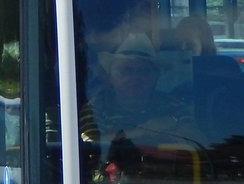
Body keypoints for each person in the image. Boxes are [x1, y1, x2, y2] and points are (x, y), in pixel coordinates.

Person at [81, 33, 203, 167]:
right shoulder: (96, 107)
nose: (135, 78)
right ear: (110, 76)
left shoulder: (172, 105)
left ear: (156, 77)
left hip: (165, 179)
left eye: (145, 72)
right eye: (126, 70)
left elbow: (199, 143)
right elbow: (91, 146)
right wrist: (146, 130)